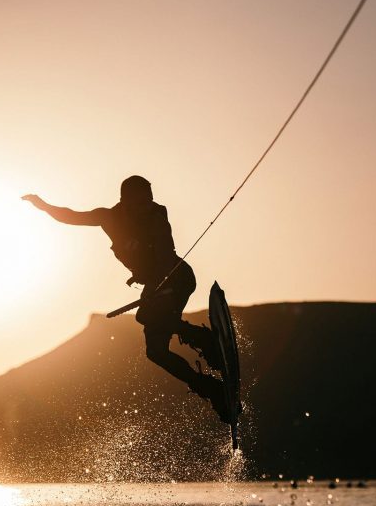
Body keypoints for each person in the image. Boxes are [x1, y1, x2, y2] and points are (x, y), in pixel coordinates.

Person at [22, 175, 232, 422]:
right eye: (142, 203)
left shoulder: (157, 216)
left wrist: (162, 288)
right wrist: (45, 206)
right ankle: (211, 389)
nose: (148, 206)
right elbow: (72, 216)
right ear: (125, 201)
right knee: (155, 351)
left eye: (150, 201)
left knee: (151, 317)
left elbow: (164, 251)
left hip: (177, 279)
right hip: (156, 285)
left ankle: (206, 341)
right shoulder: (108, 217)